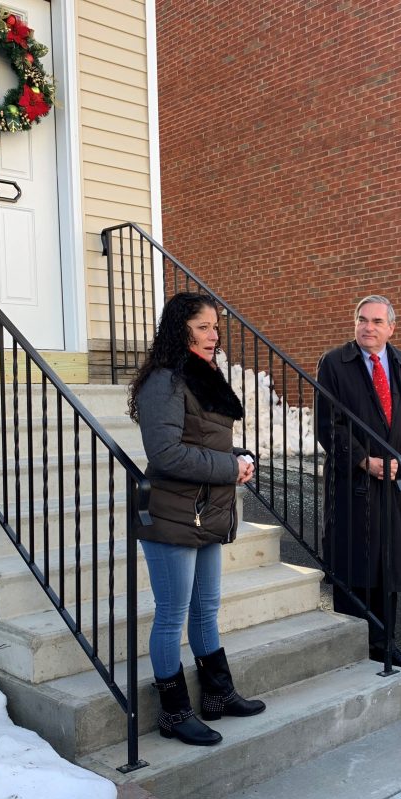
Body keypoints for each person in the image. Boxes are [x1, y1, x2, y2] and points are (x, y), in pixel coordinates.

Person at [128, 292, 265, 746]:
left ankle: (218, 695)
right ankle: (174, 712)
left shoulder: (200, 376)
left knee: (206, 608)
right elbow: (165, 454)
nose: (213, 335)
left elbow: (204, 440)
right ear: (179, 329)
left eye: (215, 327)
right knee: (172, 616)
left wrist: (238, 457)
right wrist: (229, 467)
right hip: (172, 513)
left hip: (206, 511)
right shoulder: (164, 382)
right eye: (203, 327)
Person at [316, 295, 401, 669]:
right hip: (353, 483)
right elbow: (328, 424)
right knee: (354, 566)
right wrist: (362, 460)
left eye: (376, 321)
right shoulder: (334, 363)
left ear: (391, 328)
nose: (367, 327)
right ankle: (352, 647)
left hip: (397, 485)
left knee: (389, 567)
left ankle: (385, 643)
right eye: (361, 319)